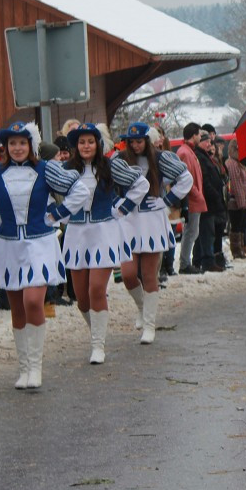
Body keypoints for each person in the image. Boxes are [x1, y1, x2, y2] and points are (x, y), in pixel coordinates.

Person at [0, 122, 89, 388]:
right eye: (13, 143)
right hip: (7, 245)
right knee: (17, 307)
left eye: (22, 143)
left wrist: (58, 214)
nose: (18, 148)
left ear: (30, 145)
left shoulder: (45, 169)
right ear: (5, 147)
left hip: (40, 243)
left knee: (34, 301)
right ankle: (24, 368)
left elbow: (79, 189)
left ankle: (36, 367)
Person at [62, 123, 148, 364]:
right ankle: (96, 332)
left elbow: (141, 184)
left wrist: (123, 208)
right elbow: (46, 191)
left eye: (90, 141)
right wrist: (58, 213)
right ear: (75, 146)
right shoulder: (66, 170)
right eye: (81, 142)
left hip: (104, 232)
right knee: (81, 298)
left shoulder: (110, 166)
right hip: (77, 234)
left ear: (98, 144)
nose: (86, 146)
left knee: (97, 289)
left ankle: (98, 345)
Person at [116, 123, 192, 344]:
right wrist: (117, 203)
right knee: (128, 274)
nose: (136, 145)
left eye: (140, 141)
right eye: (132, 142)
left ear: (147, 141)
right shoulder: (119, 159)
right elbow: (108, 184)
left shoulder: (160, 158)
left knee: (149, 275)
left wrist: (166, 202)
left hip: (151, 220)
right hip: (128, 221)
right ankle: (142, 307)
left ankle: (149, 325)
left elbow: (185, 179)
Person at [176, 123, 207, 275]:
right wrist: (197, 194)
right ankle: (184, 264)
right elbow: (186, 179)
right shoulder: (185, 153)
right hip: (192, 199)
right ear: (194, 135)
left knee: (193, 232)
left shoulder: (188, 151)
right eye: (199, 134)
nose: (200, 137)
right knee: (190, 232)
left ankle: (186, 262)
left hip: (194, 198)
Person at [192, 132, 226, 272]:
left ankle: (200, 260)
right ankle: (206, 261)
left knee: (205, 232)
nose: (208, 144)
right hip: (207, 200)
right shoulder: (200, 156)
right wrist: (215, 194)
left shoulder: (205, 156)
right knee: (207, 232)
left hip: (211, 200)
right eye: (205, 141)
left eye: (209, 142)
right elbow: (205, 179)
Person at [224, 137, 246, 259]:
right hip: (236, 201)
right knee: (236, 226)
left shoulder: (239, 163)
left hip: (243, 200)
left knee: (242, 226)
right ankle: (236, 250)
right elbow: (236, 185)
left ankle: (241, 248)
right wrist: (243, 202)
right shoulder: (231, 164)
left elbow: (245, 183)